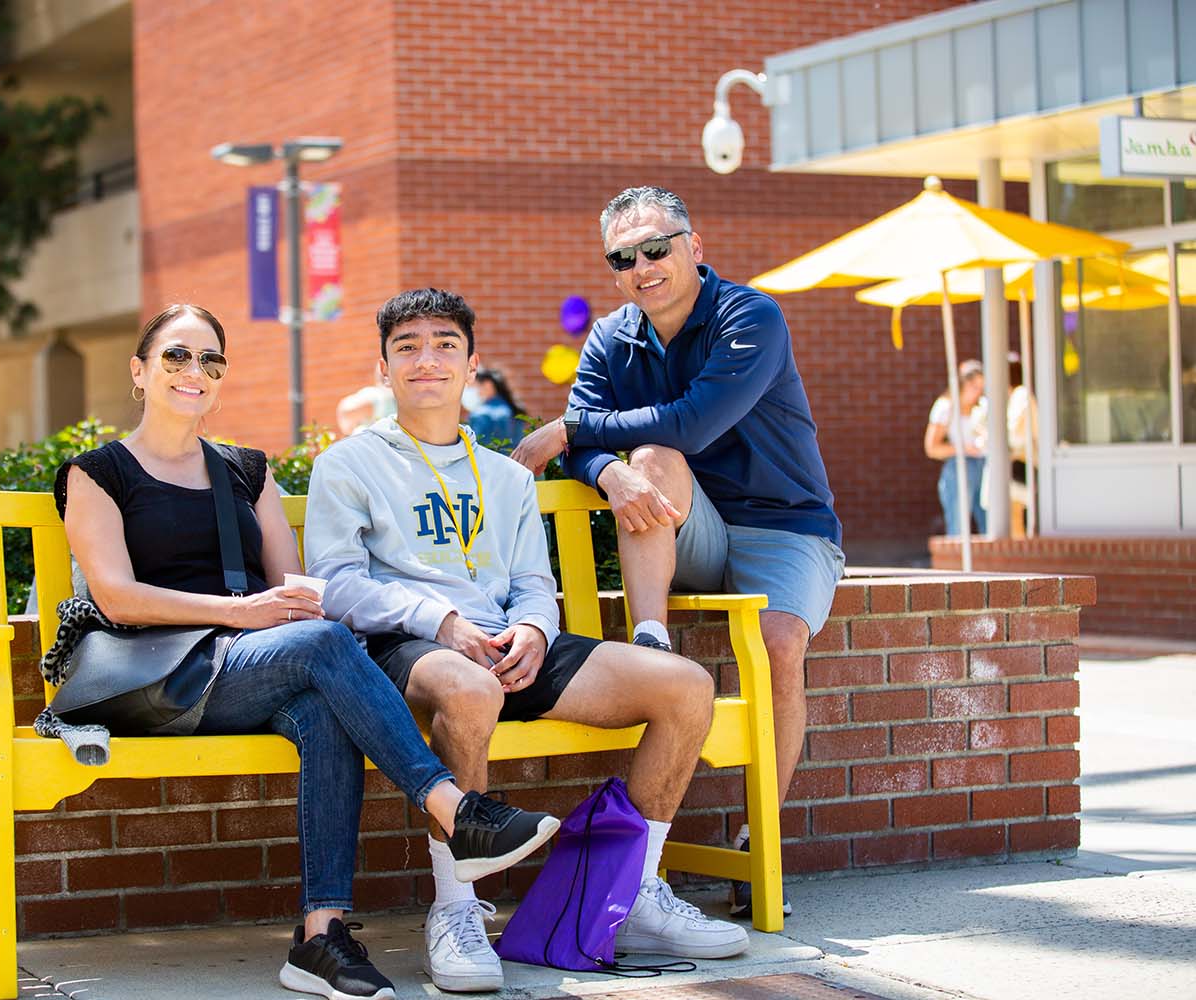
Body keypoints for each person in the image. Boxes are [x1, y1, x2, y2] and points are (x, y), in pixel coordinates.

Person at [56, 303, 560, 1000]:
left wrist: (267, 617)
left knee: (325, 699)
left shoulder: (246, 472)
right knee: (323, 645)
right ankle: (457, 810)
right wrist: (240, 613)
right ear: (139, 372)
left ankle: (320, 939)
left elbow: (296, 595)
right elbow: (116, 598)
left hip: (246, 671)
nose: (193, 372)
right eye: (175, 356)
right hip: (154, 678)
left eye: (210, 360)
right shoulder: (96, 473)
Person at [305, 288, 749, 994]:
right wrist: (440, 621)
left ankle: (628, 894)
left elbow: (533, 584)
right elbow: (336, 586)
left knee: (687, 687)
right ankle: (456, 911)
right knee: (469, 685)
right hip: (407, 650)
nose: (428, 360)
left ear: (472, 363)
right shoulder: (349, 464)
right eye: (408, 347)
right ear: (383, 367)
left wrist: (536, 631)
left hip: (511, 647)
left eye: (446, 345)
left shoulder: (506, 476)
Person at [511, 186, 845, 920]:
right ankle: (652, 641)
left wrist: (570, 430)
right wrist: (606, 466)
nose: (643, 266)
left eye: (657, 248)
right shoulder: (609, 338)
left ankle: (765, 832)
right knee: (650, 459)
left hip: (784, 523)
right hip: (685, 521)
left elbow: (697, 421)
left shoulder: (750, 316)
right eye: (623, 258)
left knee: (780, 639)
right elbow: (606, 453)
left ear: (695, 247)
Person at [925, 359, 987, 536]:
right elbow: (931, 448)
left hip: (984, 464)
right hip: (959, 467)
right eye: (974, 387)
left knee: (989, 523)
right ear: (962, 384)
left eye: (981, 388)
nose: (977, 392)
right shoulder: (946, 407)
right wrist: (963, 448)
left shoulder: (983, 406)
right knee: (958, 526)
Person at [465, 367, 526, 448]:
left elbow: (476, 447)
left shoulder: (482, 414)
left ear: (487, 385)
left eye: (474, 385)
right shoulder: (511, 408)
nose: (471, 389)